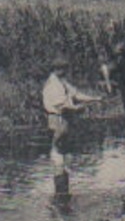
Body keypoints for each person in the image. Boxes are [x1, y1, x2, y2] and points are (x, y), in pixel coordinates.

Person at [42, 56, 101, 194]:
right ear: (57, 69)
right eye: (64, 69)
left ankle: (63, 192)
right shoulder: (52, 85)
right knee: (58, 153)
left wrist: (94, 99)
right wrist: (80, 108)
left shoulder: (61, 82)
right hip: (57, 120)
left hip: (65, 121)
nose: (66, 72)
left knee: (64, 154)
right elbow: (64, 105)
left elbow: (76, 94)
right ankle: (60, 193)